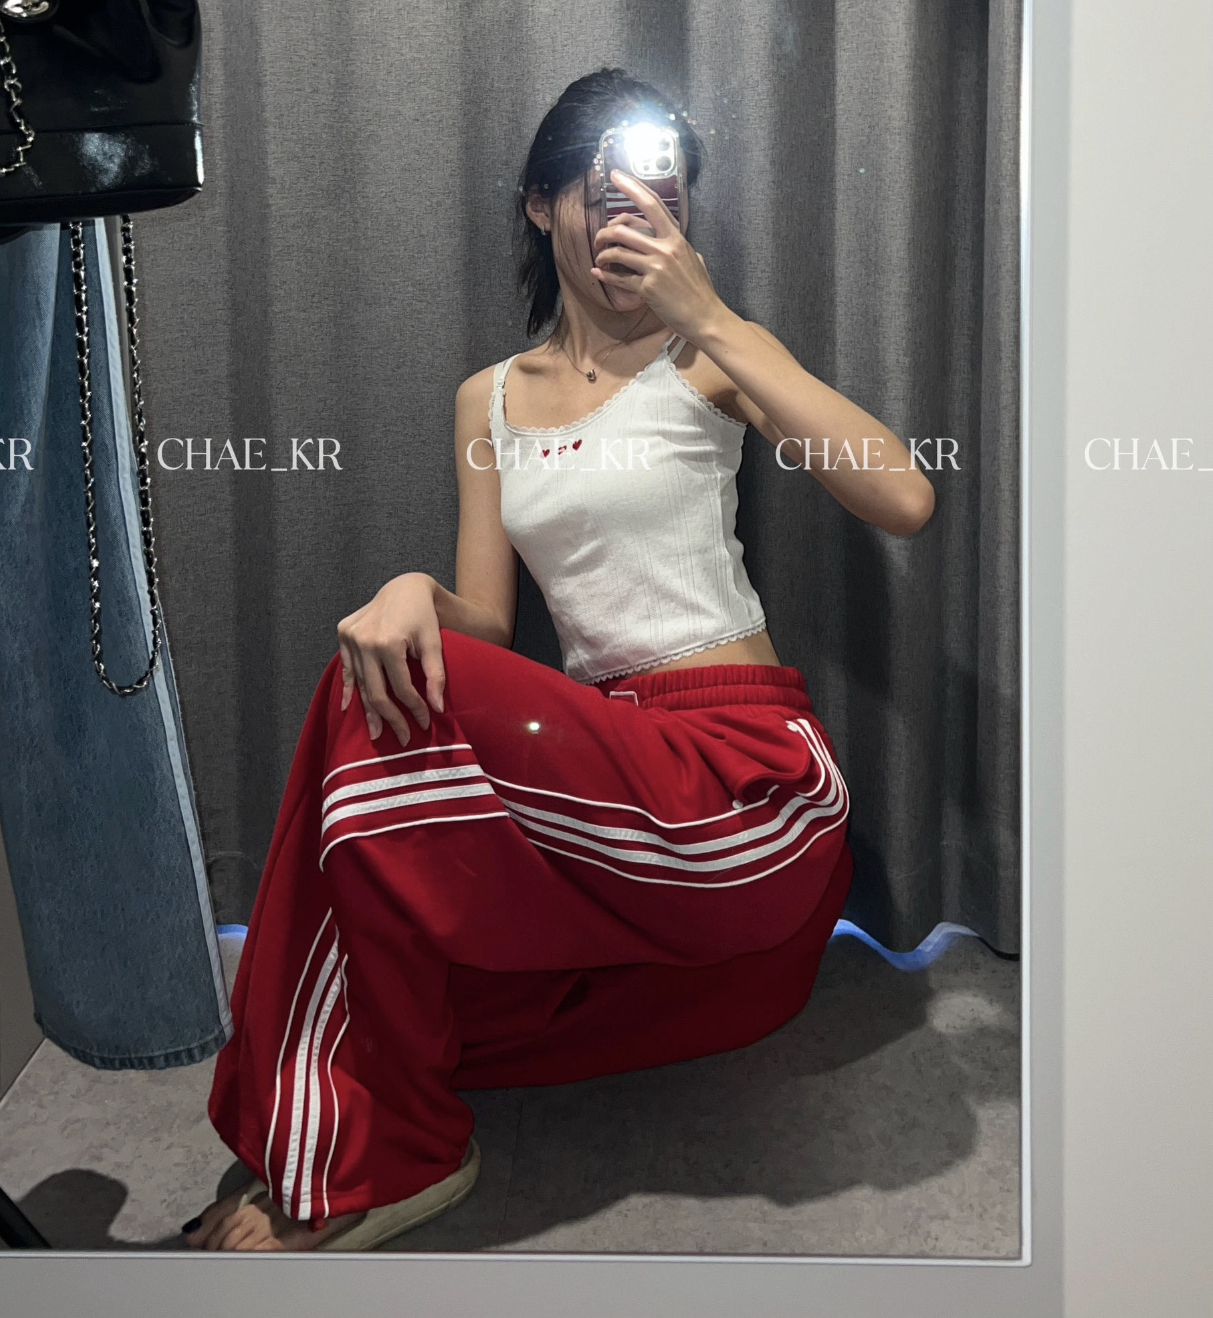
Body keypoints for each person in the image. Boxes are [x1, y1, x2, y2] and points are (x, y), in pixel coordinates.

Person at [184, 67, 935, 1252]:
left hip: (750, 787)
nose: (636, 219)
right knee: (382, 710)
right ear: (542, 206)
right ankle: (349, 1132)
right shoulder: (488, 400)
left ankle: (391, 1160)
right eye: (606, 192)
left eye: (662, 195)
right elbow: (484, 624)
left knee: (358, 711)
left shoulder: (709, 358)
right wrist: (408, 591)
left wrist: (712, 316)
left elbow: (903, 496)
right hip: (607, 780)